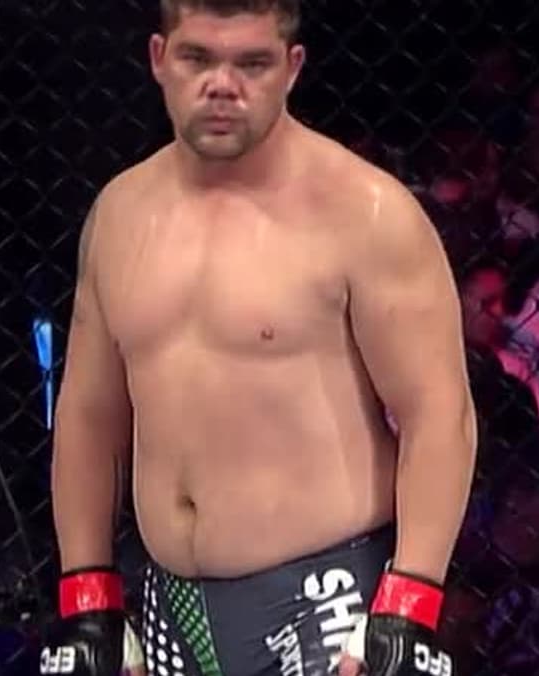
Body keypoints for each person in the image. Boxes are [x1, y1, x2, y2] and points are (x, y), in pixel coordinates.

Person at [40, 3, 474, 675]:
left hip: (327, 597)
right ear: (159, 58)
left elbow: (440, 413)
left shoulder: (365, 213)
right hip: (169, 604)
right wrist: (89, 600)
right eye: (198, 58)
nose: (223, 85)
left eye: (252, 63)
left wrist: (406, 607)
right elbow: (88, 416)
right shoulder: (120, 215)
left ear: (292, 69)